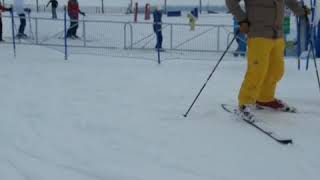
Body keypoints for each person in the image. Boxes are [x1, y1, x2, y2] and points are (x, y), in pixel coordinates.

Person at [225, 0, 310, 121]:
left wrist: (302, 12)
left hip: (277, 35)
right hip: (258, 33)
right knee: (257, 71)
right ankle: (245, 102)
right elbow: (230, 1)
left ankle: (265, 98)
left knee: (277, 70)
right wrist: (242, 20)